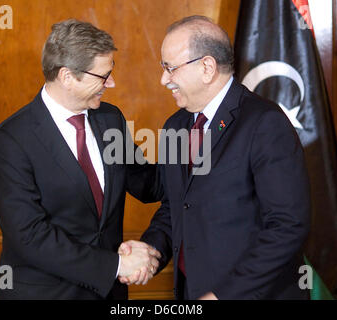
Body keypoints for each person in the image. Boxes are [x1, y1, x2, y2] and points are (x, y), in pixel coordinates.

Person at [120, 15, 311, 299]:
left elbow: (288, 226)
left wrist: (223, 295)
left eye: (170, 68)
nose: (164, 80)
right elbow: (176, 206)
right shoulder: (176, 126)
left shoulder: (264, 122)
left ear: (207, 67)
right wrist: (151, 250)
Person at [0, 19, 161, 300]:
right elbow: (29, 236)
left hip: (108, 294)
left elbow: (147, 183)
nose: (112, 83)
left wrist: (200, 153)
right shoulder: (11, 140)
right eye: (103, 76)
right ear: (67, 76)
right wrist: (115, 265)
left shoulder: (110, 119)